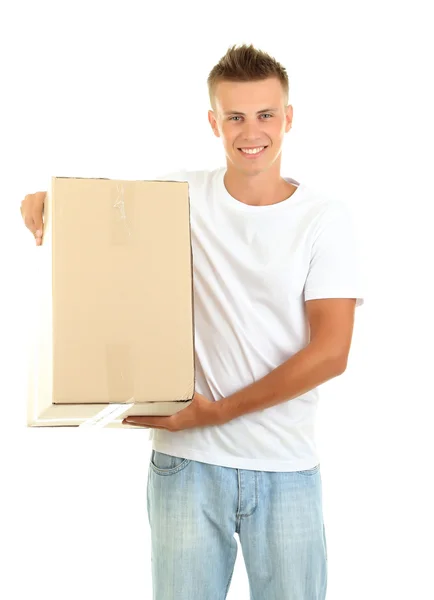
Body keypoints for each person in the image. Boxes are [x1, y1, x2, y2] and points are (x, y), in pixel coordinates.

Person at [21, 44, 364, 600]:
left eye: (265, 114)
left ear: (289, 118)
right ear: (214, 123)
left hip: (285, 465)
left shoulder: (324, 219)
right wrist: (44, 203)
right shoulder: (178, 196)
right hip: (186, 467)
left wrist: (215, 413)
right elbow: (102, 217)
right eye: (235, 117)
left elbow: (332, 352)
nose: (251, 132)